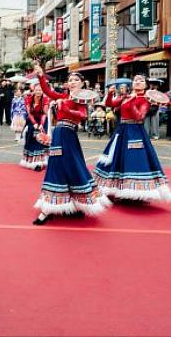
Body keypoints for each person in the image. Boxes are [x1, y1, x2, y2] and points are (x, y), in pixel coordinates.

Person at [32, 64, 111, 225]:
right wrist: (41, 75)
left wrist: (64, 109)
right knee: (55, 166)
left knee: (73, 167)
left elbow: (82, 116)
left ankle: (76, 205)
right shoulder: (62, 96)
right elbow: (47, 91)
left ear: (82, 84)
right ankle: (49, 208)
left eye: (76, 80)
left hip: (69, 135)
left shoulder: (81, 99)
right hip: (59, 134)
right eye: (70, 80)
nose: (72, 82)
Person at [94, 75, 171, 203]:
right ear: (132, 84)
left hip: (135, 132)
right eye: (136, 80)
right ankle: (118, 190)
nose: (138, 82)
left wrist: (131, 102)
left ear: (145, 85)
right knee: (118, 159)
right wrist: (111, 94)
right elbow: (109, 104)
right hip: (122, 130)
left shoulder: (145, 99)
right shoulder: (125, 96)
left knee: (134, 160)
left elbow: (139, 116)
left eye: (141, 81)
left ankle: (135, 193)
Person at [19, 83, 50, 171]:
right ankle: (28, 161)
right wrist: (34, 123)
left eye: (40, 90)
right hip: (31, 121)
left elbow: (44, 113)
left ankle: (39, 163)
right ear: (33, 90)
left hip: (42, 121)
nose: (38, 92)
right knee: (30, 139)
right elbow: (29, 113)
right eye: (36, 90)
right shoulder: (28, 98)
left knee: (40, 141)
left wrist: (41, 124)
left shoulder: (45, 99)